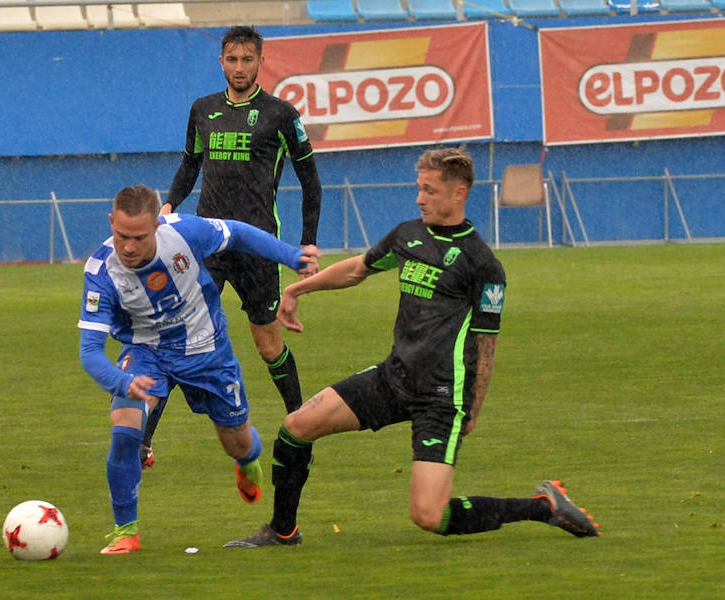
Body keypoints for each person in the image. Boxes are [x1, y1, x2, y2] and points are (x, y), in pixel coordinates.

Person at [224, 148, 601, 548]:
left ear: (459, 193)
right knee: (296, 427)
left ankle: (543, 506)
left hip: (441, 398)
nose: (420, 198)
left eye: (430, 190)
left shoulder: (483, 265)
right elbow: (358, 268)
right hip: (394, 377)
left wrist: (473, 407)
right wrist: (300, 287)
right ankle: (283, 530)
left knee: (429, 516)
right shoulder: (408, 235)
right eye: (419, 188)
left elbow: (486, 344)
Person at [78, 184, 320, 555]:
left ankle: (246, 457)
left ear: (157, 225)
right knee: (125, 429)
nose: (128, 247)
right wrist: (122, 382)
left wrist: (291, 255)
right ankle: (125, 530)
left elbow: (237, 232)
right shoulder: (101, 271)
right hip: (146, 351)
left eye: (139, 238)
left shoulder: (186, 233)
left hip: (207, 349)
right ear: (112, 222)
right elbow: (90, 351)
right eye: (121, 235)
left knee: (235, 440)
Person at [145, 25, 323, 468]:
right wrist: (170, 202)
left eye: (247, 59)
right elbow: (190, 163)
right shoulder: (202, 110)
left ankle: (301, 423)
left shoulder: (281, 114)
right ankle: (145, 441)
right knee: (176, 336)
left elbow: (310, 179)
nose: (239, 67)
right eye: (231, 59)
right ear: (221, 61)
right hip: (207, 244)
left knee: (267, 344)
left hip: (259, 245)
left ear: (261, 62)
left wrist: (308, 242)